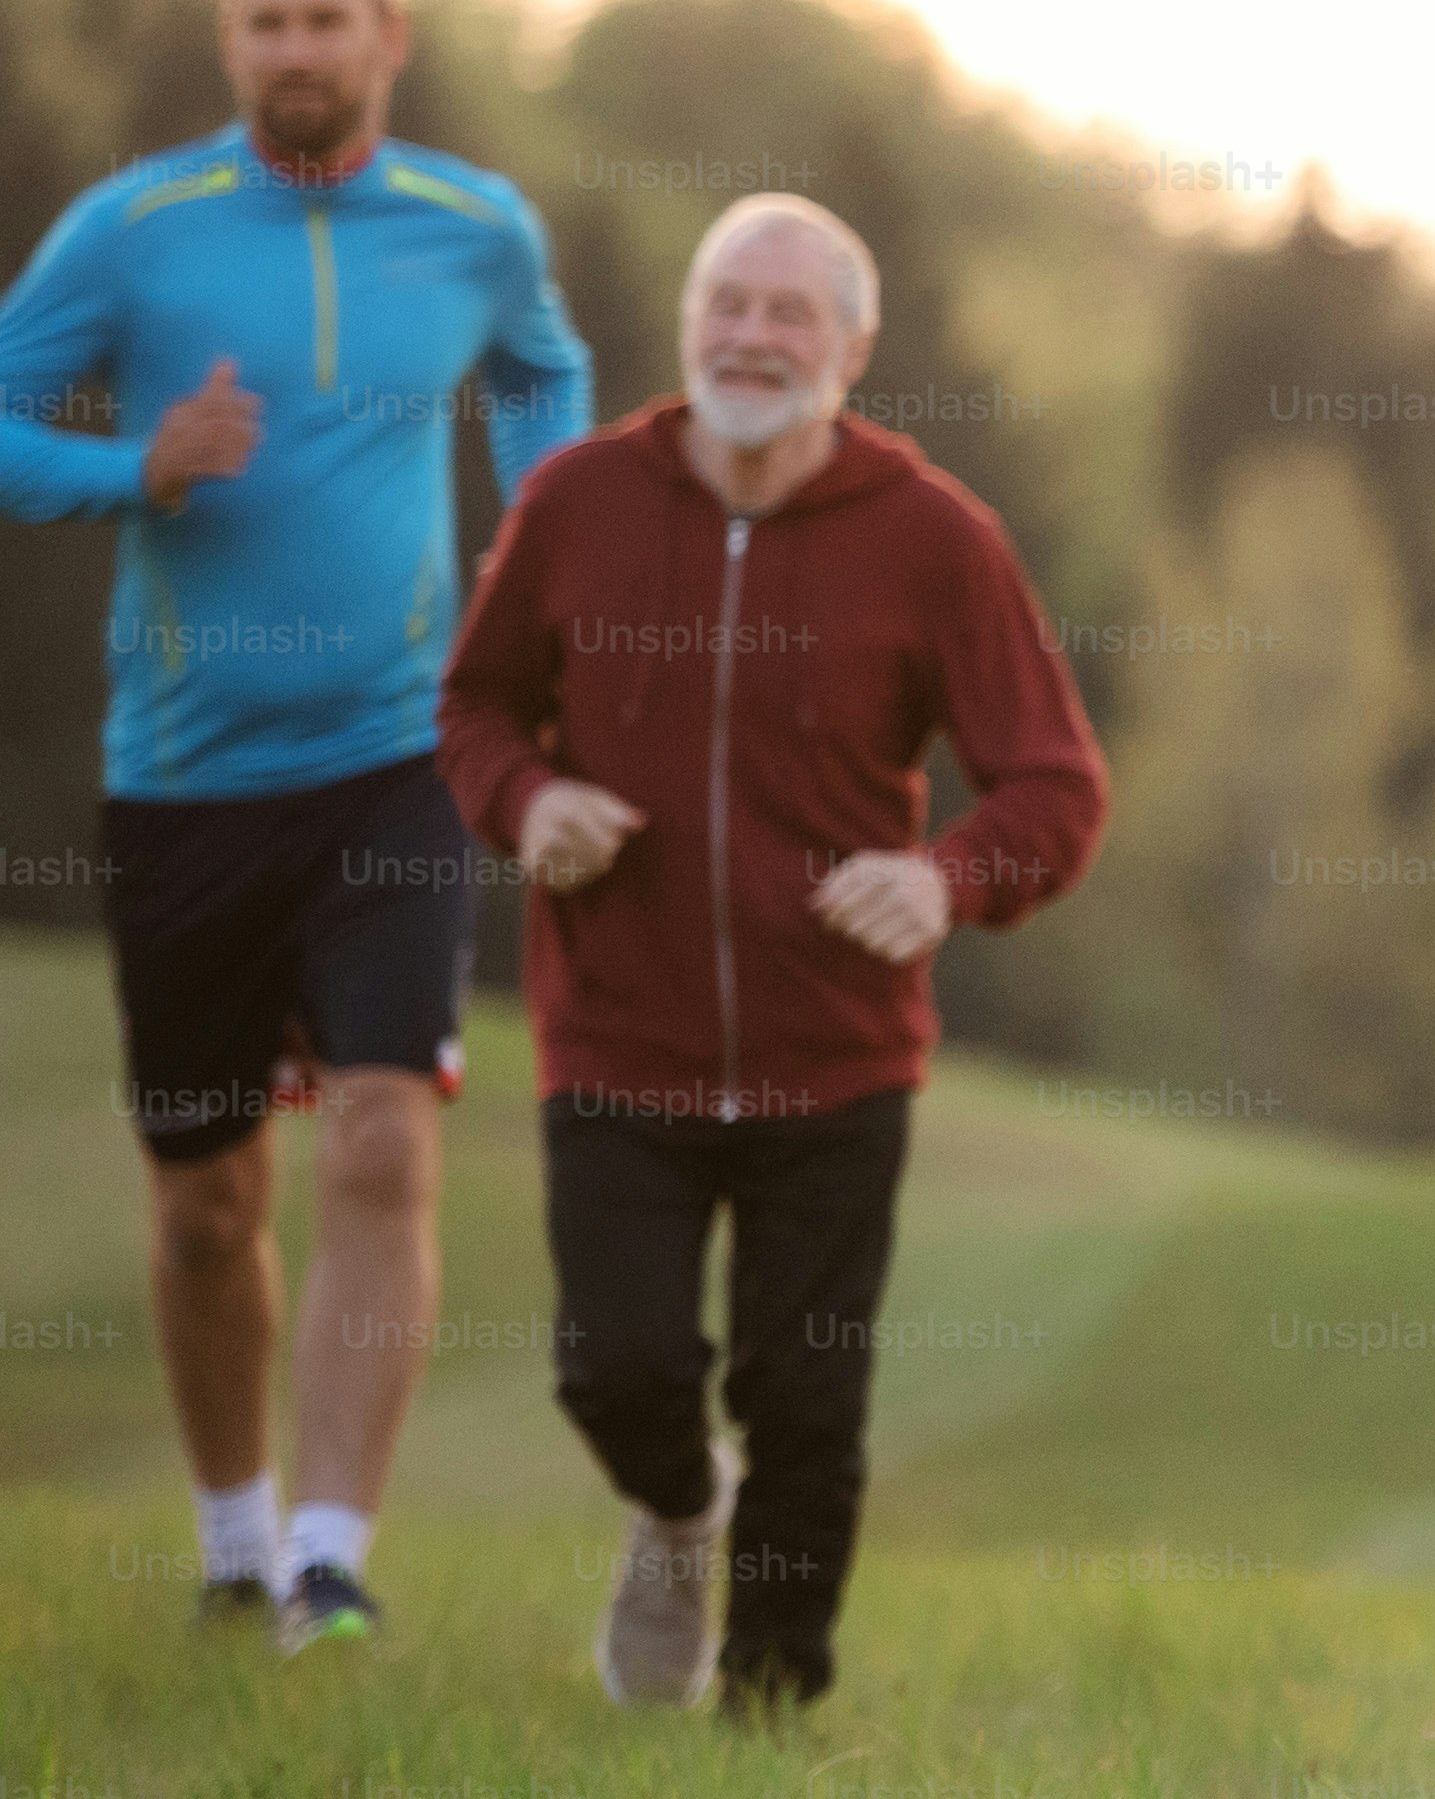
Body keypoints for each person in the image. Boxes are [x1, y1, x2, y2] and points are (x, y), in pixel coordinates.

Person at [0, 0, 593, 1654]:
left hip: (397, 762)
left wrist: (535, 558)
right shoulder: (135, 231)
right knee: (204, 1207)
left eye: (325, 21)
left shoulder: (477, 229)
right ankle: (235, 1541)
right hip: (185, 777)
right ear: (231, 47)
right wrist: (135, 472)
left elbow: (548, 372)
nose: (296, 54)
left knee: (385, 1142)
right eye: (263, 28)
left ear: (386, 36)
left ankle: (331, 1566)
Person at [436, 194, 1109, 1711]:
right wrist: (526, 800)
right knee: (619, 1369)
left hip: (835, 1056)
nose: (751, 336)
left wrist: (949, 880)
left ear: (854, 349)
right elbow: (473, 708)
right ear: (686, 325)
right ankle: (679, 1512)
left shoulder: (936, 539)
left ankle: (766, 1709)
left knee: (806, 1403)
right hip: (619, 1034)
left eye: (789, 313)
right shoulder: (579, 504)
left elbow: (1057, 787)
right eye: (726, 304)